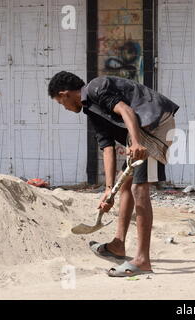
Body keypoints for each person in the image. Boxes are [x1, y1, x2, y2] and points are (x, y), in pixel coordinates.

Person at [48, 71, 179, 277]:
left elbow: (126, 111)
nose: (63, 107)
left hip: (155, 125)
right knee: (125, 183)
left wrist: (136, 143)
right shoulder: (91, 110)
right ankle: (118, 245)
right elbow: (107, 148)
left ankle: (143, 261)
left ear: (64, 94)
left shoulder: (96, 88)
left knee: (139, 187)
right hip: (141, 130)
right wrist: (109, 191)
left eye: (60, 103)